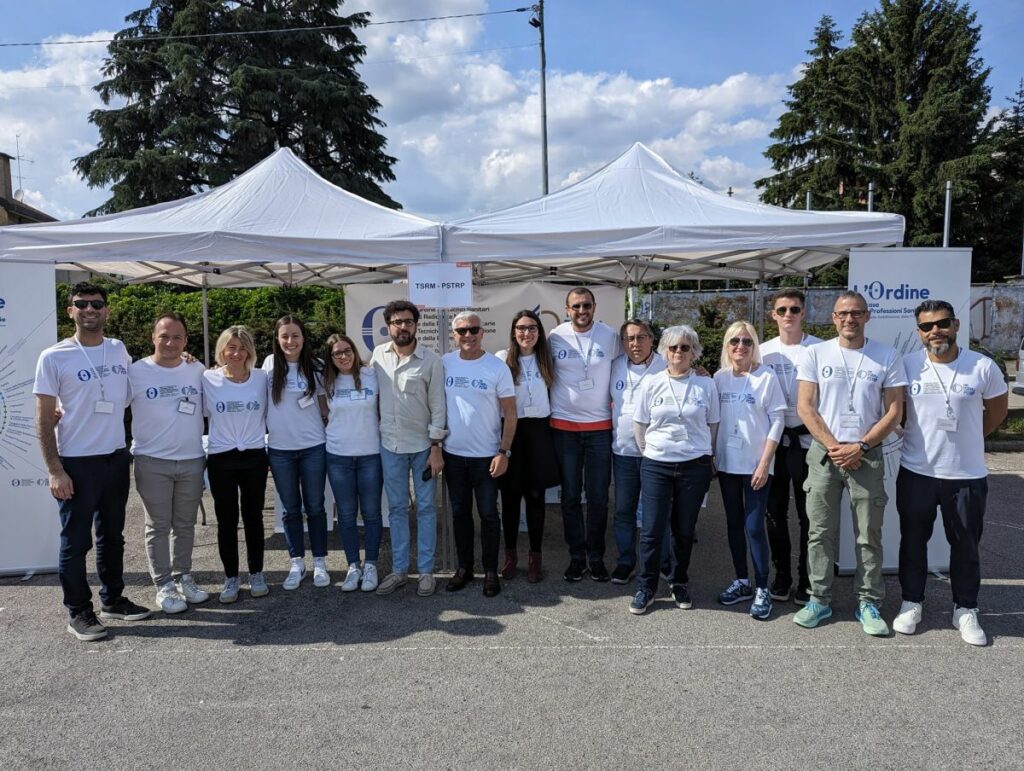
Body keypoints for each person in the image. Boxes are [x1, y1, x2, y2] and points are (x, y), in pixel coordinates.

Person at [34, 282, 152, 641]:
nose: (90, 309)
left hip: (116, 457)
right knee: (75, 541)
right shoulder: (53, 356)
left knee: (112, 537)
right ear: (70, 311)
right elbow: (42, 417)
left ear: (106, 310)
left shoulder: (118, 349)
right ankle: (78, 612)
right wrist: (55, 470)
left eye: (97, 304)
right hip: (76, 462)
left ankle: (112, 599)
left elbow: (139, 384)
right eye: (81, 304)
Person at [893, 300, 1007, 646]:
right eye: (927, 327)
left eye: (941, 323)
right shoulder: (908, 365)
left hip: (966, 475)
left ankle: (965, 609)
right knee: (913, 542)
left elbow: (998, 412)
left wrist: (971, 439)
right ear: (919, 332)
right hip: (917, 472)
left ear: (956, 324)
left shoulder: (982, 367)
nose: (935, 331)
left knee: (966, 545)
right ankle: (912, 602)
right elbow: (896, 413)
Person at [795, 290, 906, 635]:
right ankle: (820, 600)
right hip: (824, 456)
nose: (849, 319)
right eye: (843, 314)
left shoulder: (887, 355)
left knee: (868, 534)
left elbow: (894, 411)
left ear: (867, 316)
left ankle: (868, 603)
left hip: (867, 455)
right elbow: (805, 407)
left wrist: (860, 445)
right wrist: (833, 446)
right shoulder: (815, 353)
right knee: (819, 533)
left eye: (856, 313)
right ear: (833, 318)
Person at [629, 325, 719, 615]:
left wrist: (703, 453)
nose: (678, 352)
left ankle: (679, 581)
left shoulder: (706, 385)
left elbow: (713, 424)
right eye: (673, 347)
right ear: (664, 351)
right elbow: (640, 425)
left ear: (694, 352)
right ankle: (647, 586)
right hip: (657, 465)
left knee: (683, 529)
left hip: (694, 466)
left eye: (685, 347)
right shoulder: (652, 383)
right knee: (652, 529)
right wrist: (652, 453)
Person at [129, 313, 209, 614]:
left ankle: (183, 577)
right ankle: (163, 584)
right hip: (152, 460)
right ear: (153, 338)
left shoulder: (196, 369)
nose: (171, 342)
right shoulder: (135, 371)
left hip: (190, 459)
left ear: (186, 341)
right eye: (164, 336)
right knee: (158, 526)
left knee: (185, 525)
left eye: (177, 337)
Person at [371, 300, 447, 597]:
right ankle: (400, 570)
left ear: (417, 325)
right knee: (398, 508)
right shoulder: (377, 356)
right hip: (390, 445)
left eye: (408, 321)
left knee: (427, 508)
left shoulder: (431, 360)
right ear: (388, 325)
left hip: (422, 447)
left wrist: (436, 446)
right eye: (397, 322)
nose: (403, 327)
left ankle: (426, 572)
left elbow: (438, 406)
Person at [713, 321, 787, 621]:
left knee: (754, 526)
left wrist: (765, 463)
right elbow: (713, 419)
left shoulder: (766, 377)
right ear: (727, 346)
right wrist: (712, 456)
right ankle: (742, 581)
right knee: (733, 523)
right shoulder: (719, 378)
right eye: (734, 341)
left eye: (746, 341)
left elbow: (778, 421)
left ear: (754, 345)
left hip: (757, 467)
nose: (740, 347)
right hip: (728, 465)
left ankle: (761, 587)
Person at [548, 287, 622, 582]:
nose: (582, 311)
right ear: (567, 309)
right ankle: (576, 556)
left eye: (586, 305)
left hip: (600, 429)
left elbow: (639, 362)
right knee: (569, 497)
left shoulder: (610, 336)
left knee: (599, 498)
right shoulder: (555, 337)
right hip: (564, 428)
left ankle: (596, 555)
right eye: (576, 306)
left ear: (595, 306)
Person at [442, 312, 517, 597]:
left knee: (488, 515)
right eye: (462, 330)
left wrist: (503, 451)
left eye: (473, 329)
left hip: (487, 457)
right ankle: (464, 568)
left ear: (482, 332)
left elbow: (510, 414)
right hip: (453, 456)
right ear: (454, 335)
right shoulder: (444, 364)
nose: (468, 335)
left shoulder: (497, 367)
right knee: (460, 513)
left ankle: (489, 571)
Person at [760, 290, 821, 604]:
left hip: (810, 444)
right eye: (782, 309)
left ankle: (808, 578)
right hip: (775, 444)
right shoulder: (762, 351)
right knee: (774, 514)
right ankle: (781, 574)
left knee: (809, 516)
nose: (788, 314)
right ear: (773, 314)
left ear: (803, 313)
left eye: (794, 309)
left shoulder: (820, 349)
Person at [203, 326, 270, 603]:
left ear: (250, 351)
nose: (236, 353)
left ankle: (256, 573)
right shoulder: (207, 378)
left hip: (254, 455)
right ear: (221, 350)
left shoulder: (262, 378)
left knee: (254, 517)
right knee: (226, 520)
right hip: (221, 457)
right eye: (231, 347)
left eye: (242, 348)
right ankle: (231, 577)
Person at [262, 315, 330, 591]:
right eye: (285, 336)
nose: (290, 341)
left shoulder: (317, 367)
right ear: (278, 340)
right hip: (280, 450)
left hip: (314, 447)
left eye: (295, 335)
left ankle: (321, 562)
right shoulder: (268, 366)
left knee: (315, 506)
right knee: (290, 509)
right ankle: (297, 562)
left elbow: (325, 408)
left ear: (304, 338)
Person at [496, 310, 560, 583]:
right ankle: (510, 557)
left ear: (539, 332)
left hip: (540, 432)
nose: (527, 333)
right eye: (521, 328)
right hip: (512, 431)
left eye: (532, 328)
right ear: (513, 331)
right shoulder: (502, 359)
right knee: (510, 498)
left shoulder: (548, 359)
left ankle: (535, 557)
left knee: (535, 497)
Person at [609, 318, 669, 585]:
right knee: (624, 510)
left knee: (657, 513)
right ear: (623, 343)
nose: (635, 343)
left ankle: (663, 563)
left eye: (641, 337)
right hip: (622, 452)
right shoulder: (613, 367)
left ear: (652, 339)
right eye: (629, 338)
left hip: (656, 454)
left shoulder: (666, 366)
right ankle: (626, 561)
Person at [324, 333, 383, 593]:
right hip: (338, 456)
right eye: (337, 353)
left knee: (371, 513)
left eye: (347, 350)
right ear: (331, 357)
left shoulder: (372, 375)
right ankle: (353, 566)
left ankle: (370, 564)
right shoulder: (325, 380)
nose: (344, 356)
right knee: (346, 515)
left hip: (371, 454)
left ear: (354, 351)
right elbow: (322, 413)